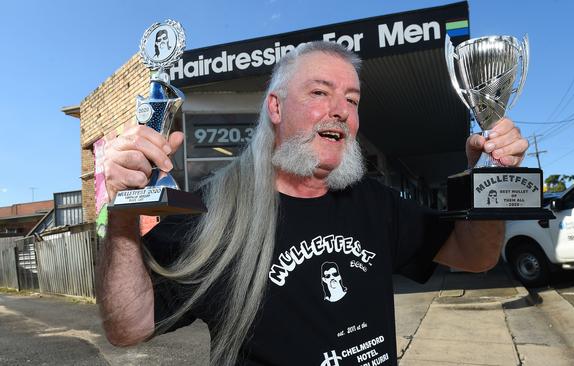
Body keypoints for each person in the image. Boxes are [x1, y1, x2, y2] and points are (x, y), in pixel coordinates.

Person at [98, 41, 528, 366]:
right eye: (320, 93)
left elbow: (477, 255)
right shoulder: (214, 211)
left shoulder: (374, 202)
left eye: (352, 100)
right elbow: (127, 329)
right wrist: (122, 213)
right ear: (276, 107)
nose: (340, 110)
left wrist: (484, 181)